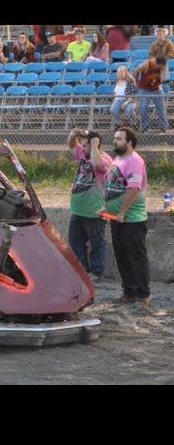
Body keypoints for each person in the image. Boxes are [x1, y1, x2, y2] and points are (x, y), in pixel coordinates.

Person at [99, 127, 151, 304]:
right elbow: (114, 185)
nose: (115, 141)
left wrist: (121, 211)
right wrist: (106, 208)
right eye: (115, 138)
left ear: (129, 142)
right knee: (121, 255)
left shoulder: (135, 161)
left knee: (135, 256)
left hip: (132, 219)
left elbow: (133, 189)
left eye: (119, 139)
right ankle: (129, 291)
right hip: (116, 218)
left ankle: (143, 294)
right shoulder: (119, 158)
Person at [67, 129, 113, 282]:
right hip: (78, 210)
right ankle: (83, 270)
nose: (82, 147)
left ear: (95, 145)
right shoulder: (83, 154)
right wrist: (74, 133)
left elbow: (97, 164)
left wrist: (94, 146)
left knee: (96, 243)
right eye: (83, 145)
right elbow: (71, 144)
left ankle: (97, 272)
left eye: (86, 145)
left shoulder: (104, 159)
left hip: (94, 211)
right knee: (75, 241)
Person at [133, 56, 170, 132]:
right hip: (144, 88)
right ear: (157, 63)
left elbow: (164, 78)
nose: (161, 67)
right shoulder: (145, 65)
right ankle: (145, 127)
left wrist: (164, 69)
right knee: (143, 107)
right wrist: (136, 82)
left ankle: (163, 127)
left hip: (156, 88)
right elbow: (136, 71)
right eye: (160, 66)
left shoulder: (163, 66)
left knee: (161, 107)